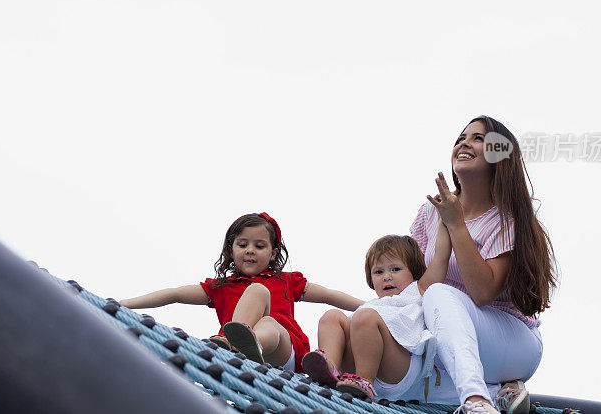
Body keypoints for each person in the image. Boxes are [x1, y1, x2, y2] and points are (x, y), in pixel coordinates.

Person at [412, 116, 557, 414]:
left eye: (478, 138)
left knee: (440, 294)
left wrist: (455, 224)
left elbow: (481, 292)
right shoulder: (429, 211)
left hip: (509, 341)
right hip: (448, 336)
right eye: (461, 137)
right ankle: (497, 392)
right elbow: (413, 284)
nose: (464, 143)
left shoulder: (508, 220)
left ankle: (476, 401)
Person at [120, 212, 364, 372]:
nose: (250, 250)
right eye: (242, 244)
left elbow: (330, 295)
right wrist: (127, 304)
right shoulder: (220, 288)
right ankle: (240, 343)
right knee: (257, 296)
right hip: (241, 361)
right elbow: (174, 294)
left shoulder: (286, 281)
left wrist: (371, 307)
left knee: (266, 316)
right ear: (231, 249)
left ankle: (244, 343)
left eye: (259, 246)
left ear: (272, 253)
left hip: (282, 352)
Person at [302, 234, 447, 401]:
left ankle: (365, 380)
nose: (386, 276)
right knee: (331, 316)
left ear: (413, 272)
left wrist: (446, 218)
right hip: (354, 373)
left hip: (399, 368)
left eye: (395, 269)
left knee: (365, 317)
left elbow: (441, 257)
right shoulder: (373, 305)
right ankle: (330, 369)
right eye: (379, 271)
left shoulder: (418, 289)